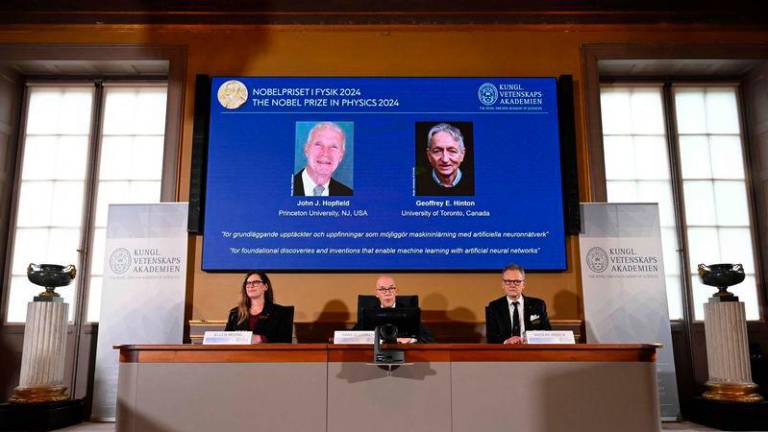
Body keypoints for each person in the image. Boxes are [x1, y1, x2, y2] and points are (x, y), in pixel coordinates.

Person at [353, 275, 434, 343]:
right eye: (382, 289)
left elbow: (428, 338)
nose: (387, 292)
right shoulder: (369, 314)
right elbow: (353, 337)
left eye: (391, 288)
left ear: (396, 291)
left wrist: (410, 340)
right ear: (376, 294)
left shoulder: (408, 313)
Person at [485, 263, 551, 344]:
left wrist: (531, 340)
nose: (512, 285)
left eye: (517, 281)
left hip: (531, 351)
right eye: (508, 281)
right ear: (503, 285)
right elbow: (491, 337)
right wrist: (507, 341)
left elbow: (547, 332)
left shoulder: (538, 305)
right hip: (505, 351)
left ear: (523, 284)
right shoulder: (494, 307)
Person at [225, 271, 294, 343]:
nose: (251, 285)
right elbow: (226, 341)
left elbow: (285, 342)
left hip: (268, 354)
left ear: (265, 286)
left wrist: (261, 339)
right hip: (240, 354)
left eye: (256, 282)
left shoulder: (281, 313)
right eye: (248, 283)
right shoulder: (235, 313)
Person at [292, 121, 353, 196]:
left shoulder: (348, 194)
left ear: (341, 155)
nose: (325, 153)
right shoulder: (284, 188)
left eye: (333, 147)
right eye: (318, 145)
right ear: (306, 149)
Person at [415, 122, 474, 196]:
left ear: (462, 154)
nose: (445, 159)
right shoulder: (416, 185)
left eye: (452, 151)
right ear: (429, 155)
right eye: (437, 151)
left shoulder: (476, 183)